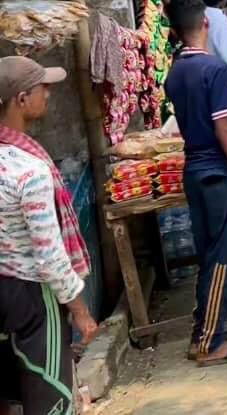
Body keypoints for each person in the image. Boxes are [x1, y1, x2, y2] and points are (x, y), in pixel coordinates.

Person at [164, 0, 227, 367]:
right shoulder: (214, 69)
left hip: (195, 169)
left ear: (175, 31)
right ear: (205, 23)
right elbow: (224, 128)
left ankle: (205, 330)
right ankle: (210, 341)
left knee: (209, 256)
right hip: (218, 172)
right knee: (225, 259)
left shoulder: (176, 71)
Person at [0, 57, 98, 415]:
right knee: (51, 395)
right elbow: (49, 254)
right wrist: (80, 310)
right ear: (21, 100)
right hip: (30, 297)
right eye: (43, 87)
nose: (49, 94)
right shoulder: (30, 170)